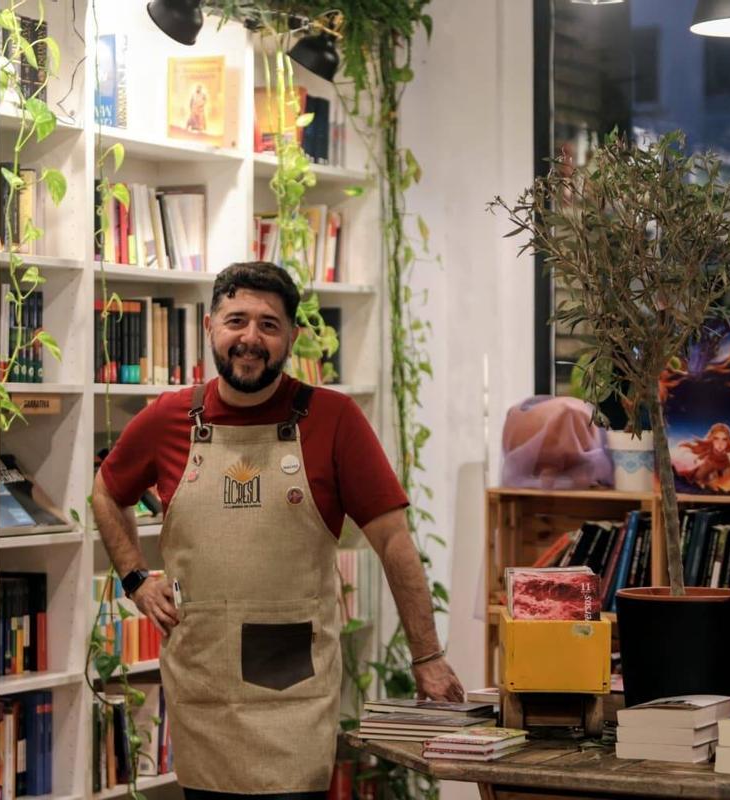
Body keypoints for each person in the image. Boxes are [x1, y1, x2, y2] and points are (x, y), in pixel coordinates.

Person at [92, 261, 463, 799]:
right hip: (202, 684)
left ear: (293, 335)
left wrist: (427, 657)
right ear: (210, 327)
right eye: (236, 320)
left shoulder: (333, 419)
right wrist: (134, 578)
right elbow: (107, 491)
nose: (250, 338)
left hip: (292, 694)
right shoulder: (169, 418)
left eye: (268, 324)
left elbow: (393, 542)